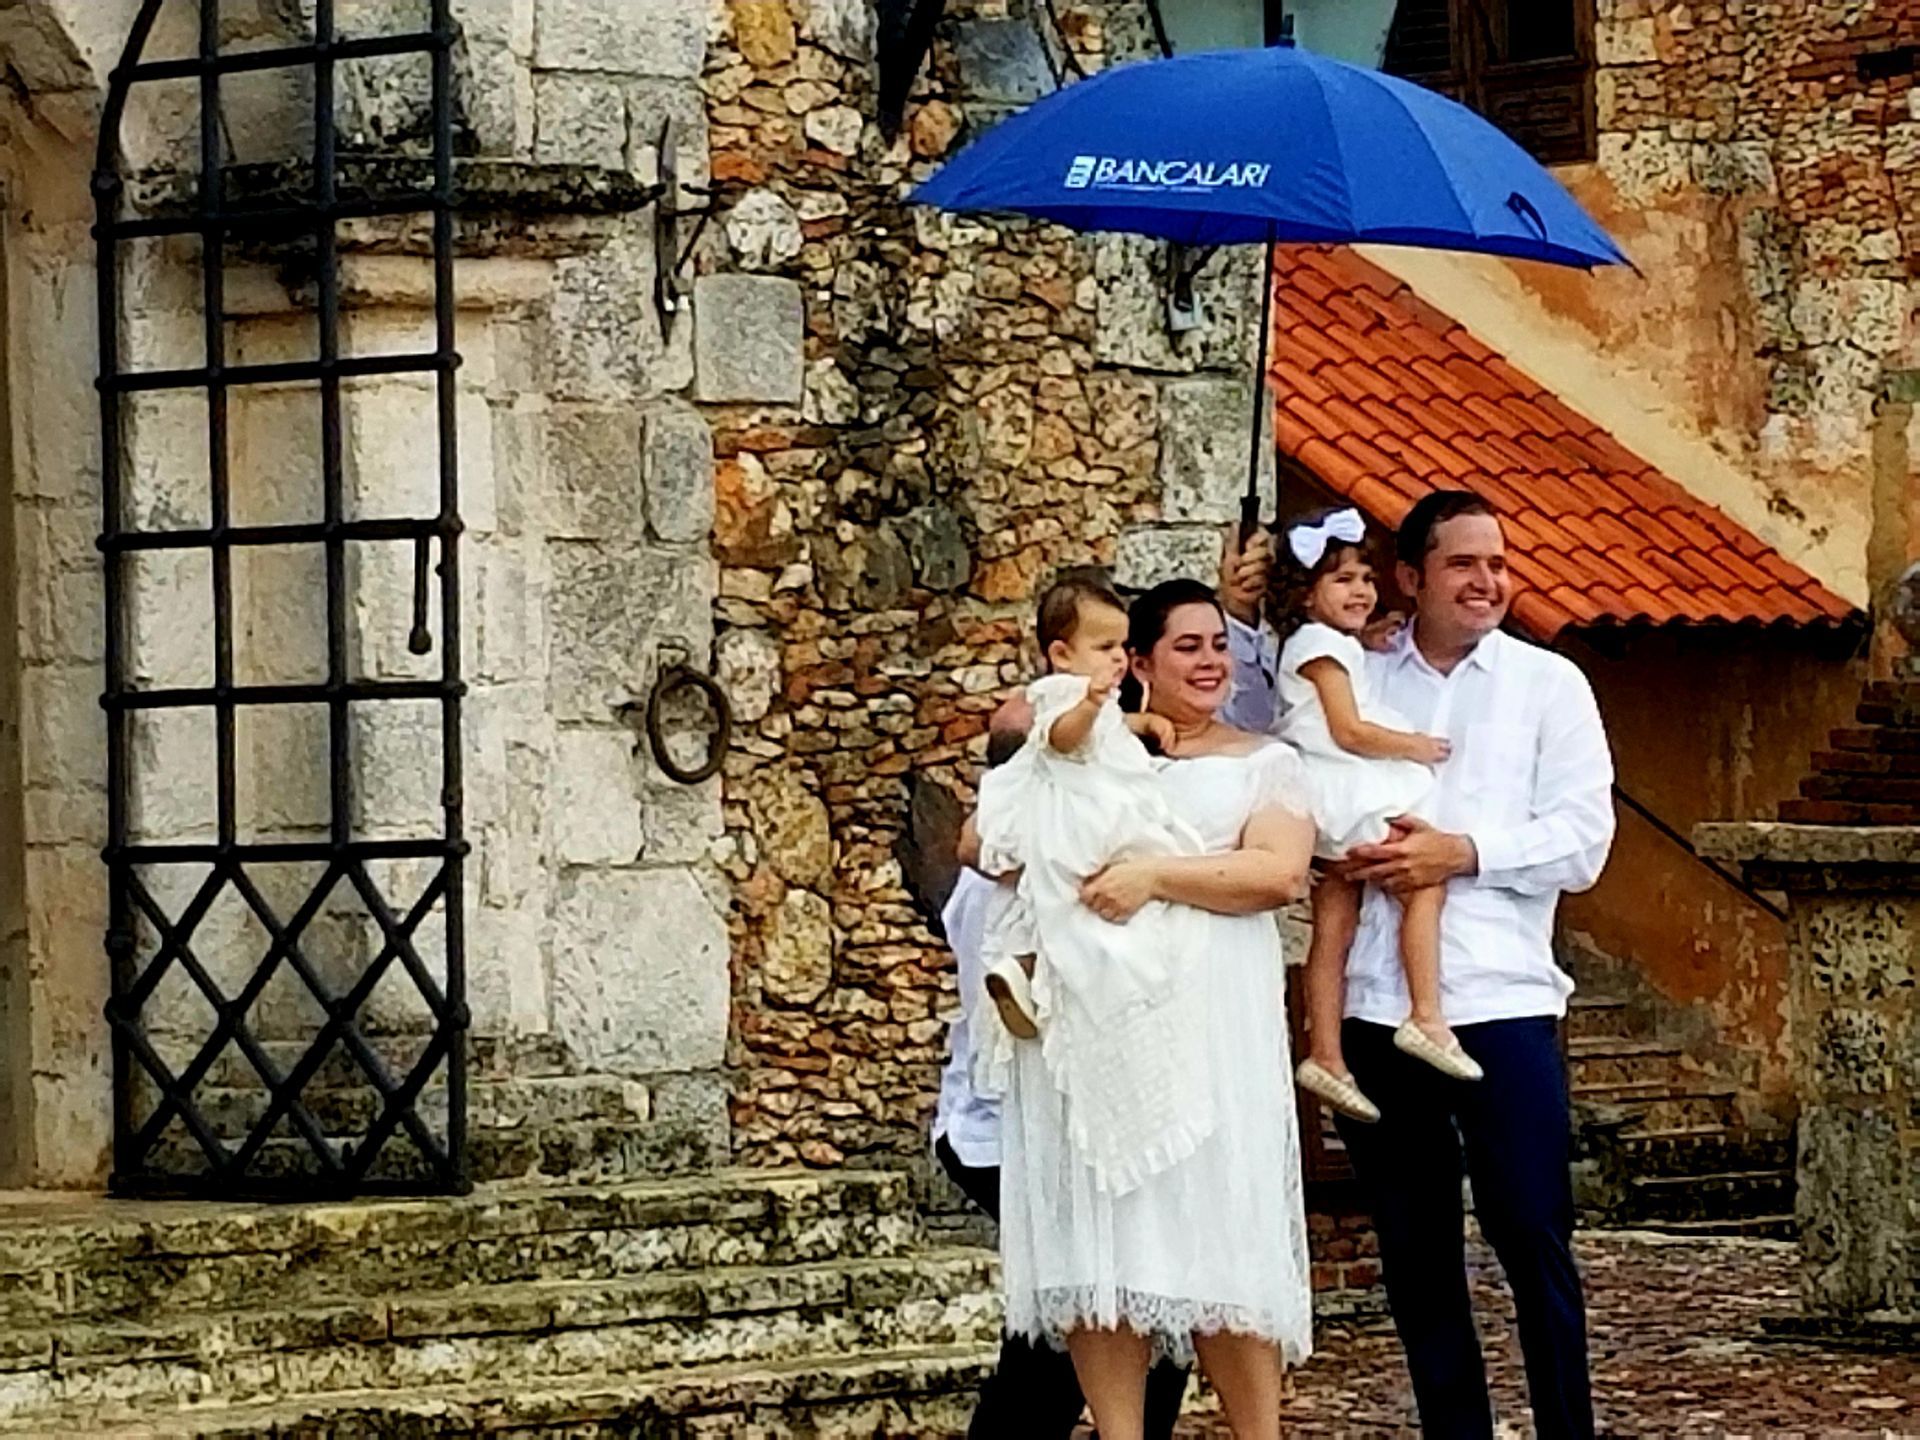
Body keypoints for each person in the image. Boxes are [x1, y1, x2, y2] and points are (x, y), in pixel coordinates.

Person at [1220, 492, 1616, 1439]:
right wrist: (1238, 618)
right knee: (1416, 1256)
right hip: (1369, 1004)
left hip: (1500, 997)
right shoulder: (1355, 666)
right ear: (1412, 576)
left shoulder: (1547, 684)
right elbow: (1249, 729)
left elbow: (1584, 838)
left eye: (1498, 564)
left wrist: (1463, 852)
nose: (1488, 583)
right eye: (1463, 565)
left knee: (1532, 1234)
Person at [973, 578, 1317, 1440]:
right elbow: (984, 841)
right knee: (1106, 1251)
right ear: (1136, 662)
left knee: (1224, 1246)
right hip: (1103, 1028)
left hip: (1216, 1032)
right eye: (1186, 647)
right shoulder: (1088, 754)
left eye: (1218, 645)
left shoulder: (1262, 762)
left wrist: (1155, 876)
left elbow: (1276, 873)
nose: (1210, 662)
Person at [934, 697, 1191, 1440]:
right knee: (1068, 1327)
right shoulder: (1016, 874)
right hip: (1009, 1132)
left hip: (1081, 1128)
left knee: (1131, 1315)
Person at [974, 572, 1212, 1197]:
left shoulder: (1100, 704)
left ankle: (1026, 971)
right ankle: (1026, 970)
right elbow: (1062, 738)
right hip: (1078, 821)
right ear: (1061, 653)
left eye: (1120, 647)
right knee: (1070, 913)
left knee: (1068, 913)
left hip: (1095, 807)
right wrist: (1089, 704)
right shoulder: (1058, 697)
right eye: (1105, 648)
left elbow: (1106, 733)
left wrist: (1139, 724)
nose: (1116, 660)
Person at [1269, 507, 1481, 1128]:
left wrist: (1362, 638)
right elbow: (1349, 728)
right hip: (1347, 788)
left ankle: (1326, 1056)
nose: (1360, 590)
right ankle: (1426, 1015)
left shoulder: (1324, 643)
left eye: (1365, 577)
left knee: (1335, 925)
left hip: (1327, 797)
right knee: (1424, 880)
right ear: (1307, 593)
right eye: (1342, 580)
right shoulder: (1319, 647)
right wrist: (1416, 746)